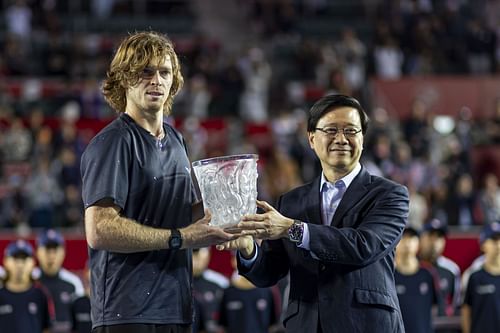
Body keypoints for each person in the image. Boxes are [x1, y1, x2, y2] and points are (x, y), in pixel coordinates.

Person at [80, 30, 238, 333]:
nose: (157, 80)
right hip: (128, 313)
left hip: (176, 308)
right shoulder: (113, 142)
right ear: (124, 78)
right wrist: (180, 238)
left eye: (164, 72)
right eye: (145, 72)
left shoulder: (177, 140)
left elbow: (189, 216)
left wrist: (235, 211)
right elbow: (99, 230)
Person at [218, 94, 410, 332]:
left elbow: (363, 246)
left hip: (367, 325)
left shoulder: (390, 195)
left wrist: (293, 229)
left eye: (351, 131)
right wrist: (248, 249)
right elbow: (268, 274)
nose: (341, 139)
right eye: (330, 130)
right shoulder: (291, 202)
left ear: (362, 138)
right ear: (311, 138)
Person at [35, 228, 85, 333]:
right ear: (38, 252)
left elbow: (80, 317)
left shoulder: (73, 282)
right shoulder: (30, 280)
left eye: (55, 249)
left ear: (63, 252)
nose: (51, 255)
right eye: (47, 249)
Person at [0, 239, 52, 333]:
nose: (20, 265)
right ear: (5, 261)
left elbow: (47, 328)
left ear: (33, 262)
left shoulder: (40, 295)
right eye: (15, 258)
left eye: (24, 259)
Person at [218, 253, 278, 333]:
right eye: (239, 257)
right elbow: (223, 326)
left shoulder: (267, 291)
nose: (245, 262)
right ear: (233, 261)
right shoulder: (227, 292)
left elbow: (273, 325)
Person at [395, 227, 439, 333]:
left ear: (418, 242)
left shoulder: (428, 274)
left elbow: (435, 308)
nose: (407, 242)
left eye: (411, 238)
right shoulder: (388, 276)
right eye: (403, 237)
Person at [418, 218, 461, 320]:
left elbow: (455, 305)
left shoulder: (451, 269)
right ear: (420, 238)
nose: (435, 242)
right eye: (430, 236)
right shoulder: (410, 267)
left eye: (439, 237)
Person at [461, 222, 500, 333]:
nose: (498, 245)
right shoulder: (474, 277)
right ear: (483, 244)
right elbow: (466, 311)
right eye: (493, 239)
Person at [192, 247, 229, 333]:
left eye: (198, 253)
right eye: (193, 254)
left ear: (208, 255)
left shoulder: (220, 282)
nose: (196, 258)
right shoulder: (173, 282)